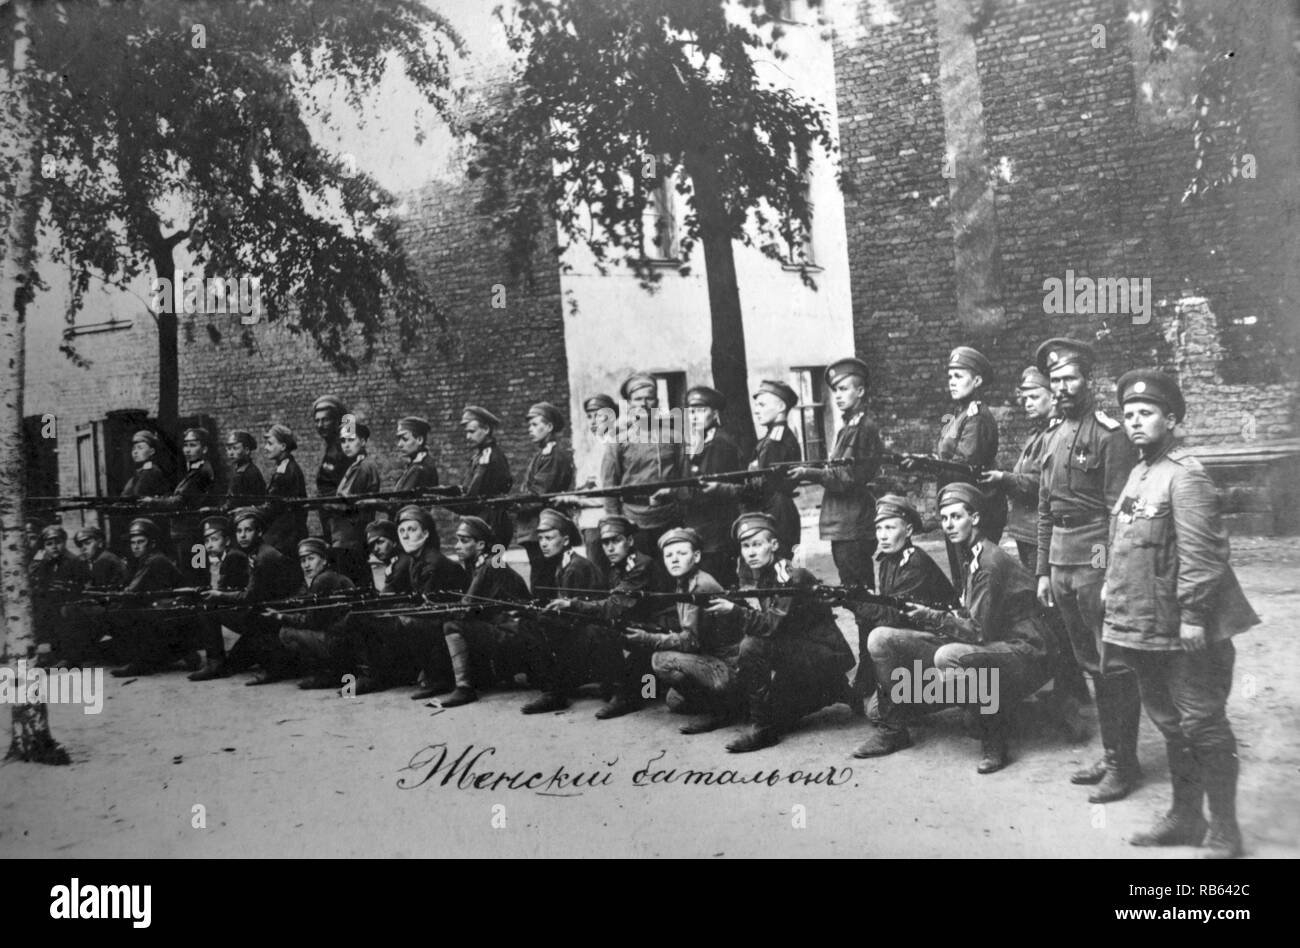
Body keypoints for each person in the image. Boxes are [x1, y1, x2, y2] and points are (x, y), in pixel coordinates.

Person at [1103, 370, 1259, 859]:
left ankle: (1225, 830)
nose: (1134, 423)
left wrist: (1193, 615)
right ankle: (1185, 817)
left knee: (1202, 724)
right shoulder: (1140, 470)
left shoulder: (1185, 474)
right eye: (1128, 415)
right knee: (1170, 723)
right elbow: (1127, 541)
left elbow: (1204, 554)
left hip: (1187, 630)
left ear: (1171, 419)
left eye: (1146, 414)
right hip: (1146, 627)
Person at [857, 484, 1053, 773]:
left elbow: (976, 632)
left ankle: (993, 738)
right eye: (944, 518)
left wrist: (932, 617)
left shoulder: (989, 561)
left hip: (1025, 650)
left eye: (956, 517)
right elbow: (969, 613)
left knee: (948, 656)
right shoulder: (969, 554)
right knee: (881, 639)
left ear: (974, 519)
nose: (949, 525)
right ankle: (894, 729)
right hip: (993, 644)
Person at [1035, 338, 1142, 802]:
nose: (1060, 387)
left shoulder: (1110, 433)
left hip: (1093, 558)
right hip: (1060, 560)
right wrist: (1043, 571)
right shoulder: (1053, 434)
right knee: (1088, 662)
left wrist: (1107, 574)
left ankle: (1124, 763)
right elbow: (1044, 509)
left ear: (1088, 381)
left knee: (1111, 663)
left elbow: (1119, 510)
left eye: (1069, 379)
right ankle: (1111, 750)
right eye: (1054, 380)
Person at [980, 365, 1090, 742]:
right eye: (1024, 397)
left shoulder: (1056, 436)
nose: (1026, 403)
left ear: (1051, 397)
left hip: (1049, 537)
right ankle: (1069, 686)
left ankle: (1071, 692)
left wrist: (1005, 480)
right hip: (1029, 535)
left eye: (1033, 397)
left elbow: (1046, 485)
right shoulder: (1037, 435)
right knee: (1050, 612)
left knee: (1058, 615)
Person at [708, 513, 856, 753]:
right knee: (772, 711)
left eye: (757, 544)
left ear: (774, 545)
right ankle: (834, 688)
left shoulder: (789, 577)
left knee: (751, 646)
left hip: (824, 654)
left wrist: (735, 611)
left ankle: (764, 730)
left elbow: (770, 627)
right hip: (802, 652)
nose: (751, 552)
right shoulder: (766, 575)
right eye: (745, 546)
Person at [789, 357, 881, 708]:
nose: (839, 396)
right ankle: (868, 669)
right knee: (859, 598)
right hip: (844, 523)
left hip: (853, 523)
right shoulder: (850, 426)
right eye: (836, 391)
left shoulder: (862, 429)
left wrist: (810, 473)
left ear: (861, 391)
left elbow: (847, 478)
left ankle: (870, 672)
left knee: (861, 600)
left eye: (845, 389)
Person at [846, 494, 959, 749]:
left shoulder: (915, 563)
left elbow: (891, 616)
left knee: (881, 637)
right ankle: (926, 695)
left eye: (890, 527)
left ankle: (897, 729)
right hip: (917, 642)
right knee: (873, 711)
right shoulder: (888, 560)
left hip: (945, 645)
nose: (883, 535)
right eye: (878, 528)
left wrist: (854, 602)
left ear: (907, 530)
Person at [624, 527, 743, 735]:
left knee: (660, 660)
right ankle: (731, 703)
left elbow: (691, 641)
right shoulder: (685, 582)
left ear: (696, 556)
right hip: (715, 660)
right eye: (669, 555)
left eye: (682, 553)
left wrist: (648, 638)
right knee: (674, 700)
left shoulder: (699, 586)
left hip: (730, 664)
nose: (674, 560)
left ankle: (722, 710)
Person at [550, 513, 665, 719]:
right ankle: (562, 690)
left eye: (616, 541)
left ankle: (626, 696)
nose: (610, 548)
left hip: (657, 630)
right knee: (585, 630)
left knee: (598, 633)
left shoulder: (641, 565)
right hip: (637, 626)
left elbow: (613, 606)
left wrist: (572, 604)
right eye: (605, 543)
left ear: (629, 541)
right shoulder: (617, 567)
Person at [350, 505, 467, 698]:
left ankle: (438, 678)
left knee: (400, 621)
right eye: (402, 531)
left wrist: (394, 608)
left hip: (448, 621)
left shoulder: (432, 562)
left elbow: (425, 607)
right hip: (435, 617)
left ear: (426, 533)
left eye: (412, 530)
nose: (405, 536)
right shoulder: (416, 559)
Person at [437, 515, 533, 707]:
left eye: (464, 541)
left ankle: (464, 688)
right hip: (517, 630)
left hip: (518, 633)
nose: (457, 546)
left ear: (480, 545)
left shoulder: (489, 566)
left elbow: (466, 608)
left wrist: (436, 609)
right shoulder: (488, 562)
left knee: (452, 625)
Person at [517, 508, 606, 715]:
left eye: (549, 538)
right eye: (540, 539)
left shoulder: (575, 567)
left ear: (565, 541)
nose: (543, 544)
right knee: (531, 621)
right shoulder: (563, 564)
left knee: (532, 626)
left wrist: (539, 615)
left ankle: (555, 692)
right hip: (582, 628)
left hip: (592, 632)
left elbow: (574, 613)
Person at [929, 346, 1003, 582]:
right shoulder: (959, 415)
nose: (952, 382)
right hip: (959, 504)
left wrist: (927, 466)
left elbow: (963, 465)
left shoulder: (977, 416)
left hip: (974, 508)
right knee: (963, 576)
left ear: (977, 380)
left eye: (959, 376)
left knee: (973, 577)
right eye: (950, 376)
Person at [711, 379, 803, 556]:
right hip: (774, 507)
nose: (756, 410)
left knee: (776, 563)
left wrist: (723, 489)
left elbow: (760, 487)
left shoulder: (774, 443)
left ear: (781, 406)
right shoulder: (771, 439)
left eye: (762, 404)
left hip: (774, 510)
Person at [214, 507, 301, 684]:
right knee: (234, 662)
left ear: (259, 532)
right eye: (239, 531)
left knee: (247, 619)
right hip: (274, 605)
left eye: (248, 530)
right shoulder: (257, 552)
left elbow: (250, 597)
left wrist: (219, 595)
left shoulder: (262, 557)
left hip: (282, 610)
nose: (243, 535)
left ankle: (275, 668)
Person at [601, 373, 684, 559]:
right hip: (635, 520)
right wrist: (616, 524)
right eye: (638, 399)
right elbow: (609, 486)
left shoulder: (673, 435)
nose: (644, 403)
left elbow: (682, 474)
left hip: (669, 517)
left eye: (649, 397)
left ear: (657, 401)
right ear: (629, 404)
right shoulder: (619, 438)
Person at [669, 386, 742, 588]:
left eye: (701, 410)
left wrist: (671, 493)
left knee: (717, 584)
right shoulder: (697, 442)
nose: (694, 416)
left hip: (716, 532)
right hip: (700, 528)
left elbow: (705, 491)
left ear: (715, 413)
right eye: (690, 411)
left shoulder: (720, 443)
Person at [265, 537, 356, 689]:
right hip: (350, 639)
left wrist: (280, 616)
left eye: (311, 559)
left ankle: (327, 673)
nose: (306, 565)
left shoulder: (322, 580)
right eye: (303, 560)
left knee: (286, 633)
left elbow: (311, 621)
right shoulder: (333, 576)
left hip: (341, 642)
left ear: (325, 560)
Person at [109, 518, 193, 678]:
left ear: (152, 543)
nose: (136, 546)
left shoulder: (154, 560)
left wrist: (113, 597)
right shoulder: (150, 558)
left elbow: (131, 591)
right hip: (173, 607)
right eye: (133, 542)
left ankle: (140, 662)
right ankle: (181, 650)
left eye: (141, 541)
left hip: (175, 609)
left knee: (124, 611)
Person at [140, 426, 216, 584]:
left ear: (205, 449)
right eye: (186, 445)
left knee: (196, 572)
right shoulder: (193, 471)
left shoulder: (201, 473)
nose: (187, 450)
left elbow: (181, 501)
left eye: (193, 445)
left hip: (193, 534)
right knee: (191, 571)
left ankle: (198, 603)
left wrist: (153, 501)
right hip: (185, 534)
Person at [514, 401, 576, 594]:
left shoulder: (554, 456)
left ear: (549, 427)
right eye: (529, 426)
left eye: (535, 425)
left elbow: (538, 494)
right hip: (534, 528)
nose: (530, 430)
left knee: (543, 580)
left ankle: (542, 620)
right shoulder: (541, 455)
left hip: (542, 527)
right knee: (541, 577)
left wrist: (513, 505)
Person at [188, 515, 252, 681]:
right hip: (236, 605)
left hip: (246, 609)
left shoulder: (234, 557)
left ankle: (214, 662)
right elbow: (197, 578)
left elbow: (225, 591)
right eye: (206, 541)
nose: (209, 545)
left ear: (228, 541)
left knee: (207, 610)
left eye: (214, 539)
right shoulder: (205, 555)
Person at [57, 525, 129, 665]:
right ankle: (77, 655)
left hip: (117, 607)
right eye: (81, 545)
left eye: (88, 543)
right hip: (113, 605)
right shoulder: (99, 559)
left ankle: (72, 658)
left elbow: (99, 591)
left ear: (100, 542)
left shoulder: (104, 560)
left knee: (71, 610)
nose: (83, 548)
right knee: (76, 608)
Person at [324, 418, 381, 587]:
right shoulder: (356, 465)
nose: (346, 445)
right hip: (348, 536)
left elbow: (349, 502)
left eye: (351, 440)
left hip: (351, 536)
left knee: (352, 583)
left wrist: (325, 504)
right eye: (343, 441)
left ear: (362, 441)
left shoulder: (363, 467)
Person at [568, 394, 619, 572]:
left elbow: (607, 492)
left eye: (599, 416)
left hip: (601, 520)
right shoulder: (596, 446)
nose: (593, 421)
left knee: (600, 574)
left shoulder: (610, 447)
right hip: (588, 521)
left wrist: (574, 500)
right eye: (590, 416)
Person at [460, 405, 515, 548]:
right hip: (483, 520)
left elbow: (473, 494)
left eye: (472, 431)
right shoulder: (479, 456)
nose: (468, 437)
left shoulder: (489, 456)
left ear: (486, 429)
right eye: (466, 432)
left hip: (492, 523)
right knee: (480, 566)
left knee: (495, 565)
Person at [29, 525, 83, 666]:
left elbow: (80, 585)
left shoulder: (73, 560)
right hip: (51, 601)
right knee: (40, 613)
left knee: (62, 615)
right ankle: (47, 655)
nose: (54, 547)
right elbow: (33, 578)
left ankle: (69, 658)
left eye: (58, 543)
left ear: (64, 543)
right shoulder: (44, 561)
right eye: (49, 544)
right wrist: (39, 559)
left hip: (69, 601)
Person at [256, 424, 309, 562]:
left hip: (285, 537)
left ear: (283, 447)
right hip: (288, 533)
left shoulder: (284, 471)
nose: (266, 448)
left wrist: (249, 510)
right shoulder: (287, 466)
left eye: (270, 443)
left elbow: (272, 506)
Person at [311, 395, 349, 542]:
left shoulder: (342, 449)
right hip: (329, 518)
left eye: (325, 420)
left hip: (340, 522)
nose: (320, 425)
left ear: (336, 421)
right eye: (317, 420)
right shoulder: (331, 446)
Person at [224, 430, 267, 504]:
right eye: (229, 449)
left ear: (247, 450)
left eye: (235, 448)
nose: (230, 453)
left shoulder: (251, 473)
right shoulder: (238, 470)